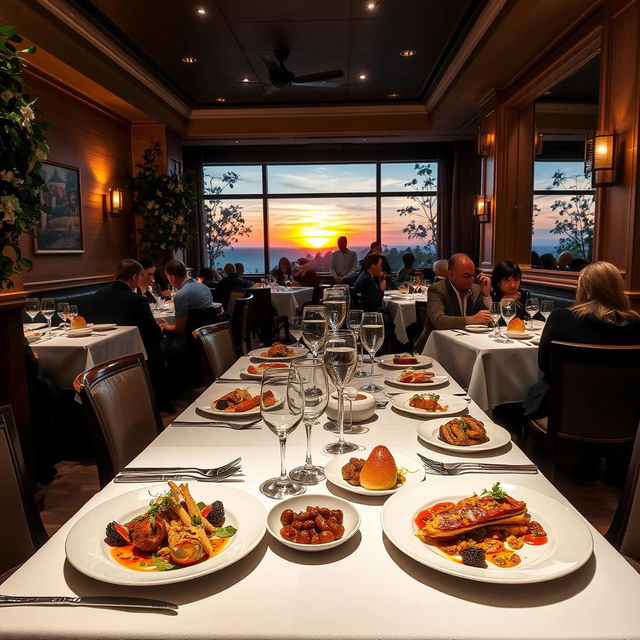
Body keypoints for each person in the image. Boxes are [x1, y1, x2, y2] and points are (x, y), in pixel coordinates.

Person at [524, 261, 640, 418]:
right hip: (623, 417)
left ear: (584, 289)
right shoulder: (635, 324)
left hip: (565, 414)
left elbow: (544, 364)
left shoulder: (561, 319)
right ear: (618, 289)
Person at [91, 259, 171, 410]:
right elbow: (153, 334)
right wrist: (161, 328)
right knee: (159, 346)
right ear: (134, 277)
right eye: (141, 276)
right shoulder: (137, 300)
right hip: (136, 354)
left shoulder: (97, 295)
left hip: (103, 353)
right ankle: (160, 404)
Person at [415, 253, 492, 350]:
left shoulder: (476, 289)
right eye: (467, 276)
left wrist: (486, 294)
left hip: (469, 344)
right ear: (451, 275)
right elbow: (439, 321)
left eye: (473, 275)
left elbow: (488, 319)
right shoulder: (437, 290)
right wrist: (470, 319)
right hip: (438, 347)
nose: (472, 280)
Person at [161, 259, 214, 337]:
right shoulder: (205, 288)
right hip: (208, 337)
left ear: (172, 277)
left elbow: (179, 329)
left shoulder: (181, 294)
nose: (168, 280)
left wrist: (164, 326)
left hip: (190, 342)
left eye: (167, 276)